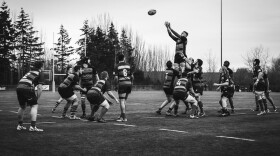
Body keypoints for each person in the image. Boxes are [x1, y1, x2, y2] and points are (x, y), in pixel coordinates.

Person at [16, 61, 45, 132]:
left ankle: (20, 125)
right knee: (34, 106)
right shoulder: (39, 73)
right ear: (41, 67)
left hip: (18, 88)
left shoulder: (29, 72)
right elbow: (40, 88)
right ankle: (32, 127)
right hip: (27, 88)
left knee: (22, 106)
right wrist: (37, 99)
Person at [114, 53, 134, 122]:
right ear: (124, 58)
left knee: (122, 101)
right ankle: (121, 115)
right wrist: (131, 83)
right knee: (124, 101)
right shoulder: (128, 65)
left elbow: (116, 78)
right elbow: (132, 76)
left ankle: (124, 117)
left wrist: (116, 85)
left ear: (118, 59)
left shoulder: (117, 66)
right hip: (129, 84)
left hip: (122, 84)